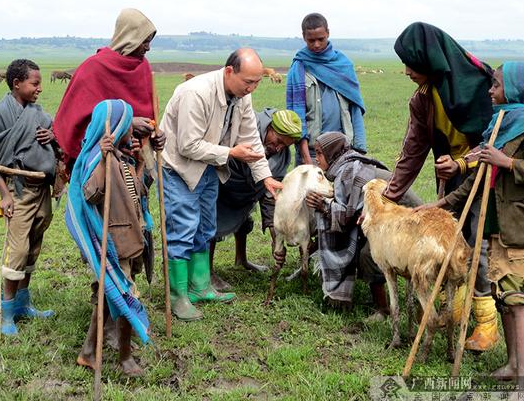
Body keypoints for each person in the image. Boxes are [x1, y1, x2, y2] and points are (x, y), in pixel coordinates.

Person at [424, 61, 524, 393]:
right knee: (501, 298)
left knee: (516, 298)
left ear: (513, 87)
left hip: (520, 224)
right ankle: (512, 364)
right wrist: (443, 203)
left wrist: (508, 162)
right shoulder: (499, 124)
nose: (490, 90)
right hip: (493, 222)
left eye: (495, 84)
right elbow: (480, 177)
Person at [382, 22, 499, 351]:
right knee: (452, 242)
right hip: (451, 176)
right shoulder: (422, 98)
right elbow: (413, 151)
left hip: (487, 174)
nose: (406, 71)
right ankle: (456, 314)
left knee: (478, 243)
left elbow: (500, 138)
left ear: (429, 60)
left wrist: (465, 162)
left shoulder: (482, 84)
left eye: (411, 63)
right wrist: (387, 199)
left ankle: (487, 322)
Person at [160, 47, 283, 321]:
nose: (252, 89)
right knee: (182, 228)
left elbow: (251, 140)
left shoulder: (241, 97)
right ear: (229, 72)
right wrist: (230, 153)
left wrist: (266, 178)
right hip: (179, 168)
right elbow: (187, 145)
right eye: (248, 82)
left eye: (257, 82)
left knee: (205, 226)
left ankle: (200, 286)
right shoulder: (196, 93)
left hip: (209, 168)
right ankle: (178, 297)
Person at [66, 99, 150, 376]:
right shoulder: (95, 159)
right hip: (114, 243)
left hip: (129, 238)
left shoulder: (121, 158)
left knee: (107, 296)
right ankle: (125, 358)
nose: (131, 130)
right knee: (124, 297)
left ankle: (88, 352)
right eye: (127, 126)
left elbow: (137, 191)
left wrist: (139, 163)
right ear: (116, 127)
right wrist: (103, 159)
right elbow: (91, 193)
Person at [305, 132, 421, 312]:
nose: (316, 158)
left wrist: (323, 206)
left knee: (368, 254)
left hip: (407, 218)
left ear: (332, 152)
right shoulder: (345, 166)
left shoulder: (349, 171)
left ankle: (382, 309)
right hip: (387, 214)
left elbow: (346, 215)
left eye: (319, 153)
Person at [0, 59, 56, 336]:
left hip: (41, 188)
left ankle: (25, 304)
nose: (39, 89)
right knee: (18, 250)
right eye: (34, 83)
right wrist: (4, 195)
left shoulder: (36, 112)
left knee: (34, 244)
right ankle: (7, 313)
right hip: (16, 188)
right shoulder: (0, 114)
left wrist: (51, 135)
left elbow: (52, 136)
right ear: (17, 84)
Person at [53, 8, 165, 170]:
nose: (148, 48)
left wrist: (155, 135)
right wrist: (128, 123)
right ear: (130, 38)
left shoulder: (143, 67)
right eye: (144, 41)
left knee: (136, 195)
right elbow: (78, 121)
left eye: (149, 41)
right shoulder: (93, 68)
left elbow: (148, 114)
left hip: (136, 162)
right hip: (101, 164)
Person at [209, 108, 302, 290]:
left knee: (244, 220)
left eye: (285, 146)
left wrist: (276, 233)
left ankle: (241, 259)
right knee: (211, 225)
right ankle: (208, 273)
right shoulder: (246, 130)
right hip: (221, 181)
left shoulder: (281, 156)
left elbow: (270, 194)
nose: (278, 148)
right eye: (278, 141)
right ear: (270, 129)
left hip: (248, 192)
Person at [286, 12, 366, 165]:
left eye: (320, 39)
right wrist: (306, 158)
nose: (316, 44)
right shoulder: (299, 67)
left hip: (343, 149)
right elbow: (296, 116)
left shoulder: (343, 65)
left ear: (328, 33)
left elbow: (355, 109)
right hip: (311, 151)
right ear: (304, 37)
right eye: (311, 40)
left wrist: (360, 149)